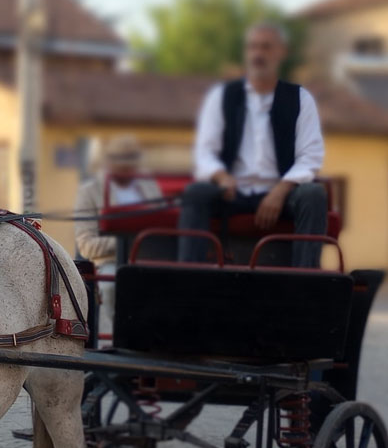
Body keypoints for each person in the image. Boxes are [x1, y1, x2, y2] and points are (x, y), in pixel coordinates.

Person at [178, 22, 327, 268]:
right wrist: (222, 177)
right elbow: (204, 151)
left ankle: (305, 279)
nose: (258, 54)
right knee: (196, 193)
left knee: (313, 195)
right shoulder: (222, 96)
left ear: (281, 52)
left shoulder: (301, 99)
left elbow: (310, 156)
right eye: (253, 47)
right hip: (232, 192)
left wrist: (280, 191)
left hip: (283, 194)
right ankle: (188, 277)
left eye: (266, 47)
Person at [75, 134, 161, 331]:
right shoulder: (90, 191)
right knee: (111, 286)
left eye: (130, 166)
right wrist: (124, 243)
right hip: (110, 263)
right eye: (122, 166)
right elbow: (86, 245)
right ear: (109, 163)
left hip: (148, 260)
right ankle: (109, 341)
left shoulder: (149, 187)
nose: (127, 171)